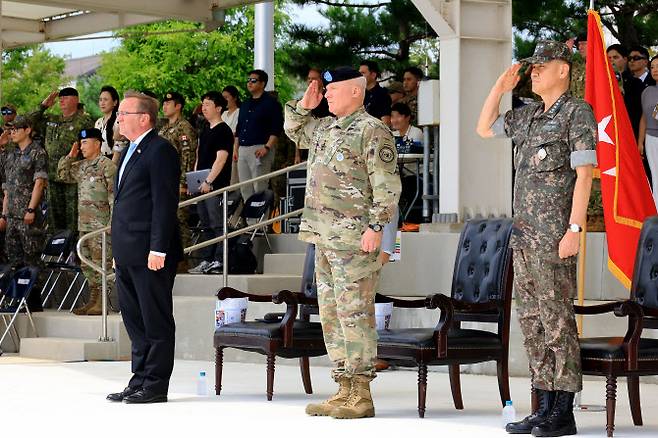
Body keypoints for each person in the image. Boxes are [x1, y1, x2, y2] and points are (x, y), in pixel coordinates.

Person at [476, 41, 597, 437]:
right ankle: (542, 406)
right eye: (531, 68)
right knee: (531, 322)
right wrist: (499, 86)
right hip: (524, 236)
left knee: (557, 320)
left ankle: (563, 412)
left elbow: (584, 175)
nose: (534, 73)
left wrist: (574, 229)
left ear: (563, 70)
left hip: (553, 235)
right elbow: (483, 127)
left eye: (541, 67)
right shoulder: (528, 117)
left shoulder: (576, 113)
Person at [284, 67, 401, 419]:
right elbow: (293, 130)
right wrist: (304, 104)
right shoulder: (325, 128)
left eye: (332, 89)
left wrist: (377, 227)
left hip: (354, 239)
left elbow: (387, 185)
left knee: (355, 313)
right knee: (333, 315)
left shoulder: (371, 130)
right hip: (324, 236)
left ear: (354, 92)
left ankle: (361, 392)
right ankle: (343, 386)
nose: (327, 94)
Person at [106, 91, 182, 404]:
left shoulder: (160, 149)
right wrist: (116, 252)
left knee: (155, 320)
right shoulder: (127, 150)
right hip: (127, 249)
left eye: (124, 113)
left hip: (151, 251)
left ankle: (155, 385)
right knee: (135, 321)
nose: (118, 118)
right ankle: (138, 379)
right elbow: (125, 204)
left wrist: (158, 249)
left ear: (144, 118)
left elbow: (164, 203)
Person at [57, 128, 116, 315]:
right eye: (80, 143)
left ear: (97, 143)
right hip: (84, 224)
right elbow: (62, 175)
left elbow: (114, 196)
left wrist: (113, 223)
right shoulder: (81, 166)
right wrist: (69, 156)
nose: (81, 147)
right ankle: (93, 300)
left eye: (84, 143)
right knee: (87, 263)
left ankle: (103, 302)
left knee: (102, 263)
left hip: (101, 226)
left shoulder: (106, 165)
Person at [30, 87, 94, 233]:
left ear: (76, 100)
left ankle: (74, 251)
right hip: (52, 177)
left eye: (66, 96)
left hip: (73, 178)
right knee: (54, 220)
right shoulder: (51, 120)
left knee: (73, 220)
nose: (61, 100)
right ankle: (58, 250)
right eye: (60, 97)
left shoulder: (84, 121)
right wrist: (43, 106)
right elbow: (27, 122)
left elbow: (91, 148)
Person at [0, 116, 47, 311]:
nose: (12, 132)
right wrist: (4, 214)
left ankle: (33, 303)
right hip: (11, 216)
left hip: (28, 216)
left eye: (17, 129)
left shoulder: (37, 152)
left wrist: (30, 208)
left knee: (31, 259)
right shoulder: (11, 155)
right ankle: (18, 299)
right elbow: (7, 188)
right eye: (10, 129)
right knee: (15, 259)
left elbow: (39, 182)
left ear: (28, 130)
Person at [188, 91, 233, 275]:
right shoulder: (205, 129)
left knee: (217, 224)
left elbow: (221, 159)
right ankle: (207, 259)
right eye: (203, 104)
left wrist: (208, 181)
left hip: (216, 186)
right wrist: (195, 180)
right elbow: (200, 156)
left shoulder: (224, 131)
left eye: (208, 104)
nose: (204, 108)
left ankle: (220, 260)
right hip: (202, 185)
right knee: (205, 224)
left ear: (218, 108)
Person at [159, 92, 198, 261]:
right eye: (164, 103)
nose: (165, 106)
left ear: (178, 106)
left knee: (180, 221)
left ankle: (187, 258)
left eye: (169, 103)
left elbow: (188, 156)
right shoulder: (164, 128)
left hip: (176, 183)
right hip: (162, 182)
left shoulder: (184, 127)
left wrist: (183, 182)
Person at [234, 69, 283, 202]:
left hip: (260, 148)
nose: (249, 83)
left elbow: (276, 129)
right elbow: (239, 128)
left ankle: (262, 221)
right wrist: (236, 149)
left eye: (253, 80)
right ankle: (251, 222)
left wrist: (267, 147)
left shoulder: (271, 104)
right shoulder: (245, 104)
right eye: (248, 80)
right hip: (242, 148)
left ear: (262, 84)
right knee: (245, 187)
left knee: (259, 187)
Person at [638, 55, 658, 207]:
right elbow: (644, 118)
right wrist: (640, 142)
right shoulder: (647, 91)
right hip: (651, 138)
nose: (655, 70)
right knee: (656, 176)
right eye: (652, 67)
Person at [359, 60, 392, 126]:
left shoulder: (382, 95)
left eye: (363, 73)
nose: (359, 76)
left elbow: (386, 123)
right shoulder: (359, 93)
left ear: (373, 75)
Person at [94, 85, 122, 161]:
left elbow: (119, 146)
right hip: (100, 161)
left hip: (114, 161)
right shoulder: (98, 122)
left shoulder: (119, 121)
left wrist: (112, 166)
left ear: (115, 102)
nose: (102, 103)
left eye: (105, 99)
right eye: (100, 100)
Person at [222, 85, 241, 186]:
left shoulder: (239, 112)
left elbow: (234, 132)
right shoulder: (224, 114)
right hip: (222, 148)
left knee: (233, 179)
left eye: (226, 97)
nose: (224, 100)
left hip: (233, 148)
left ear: (234, 98)